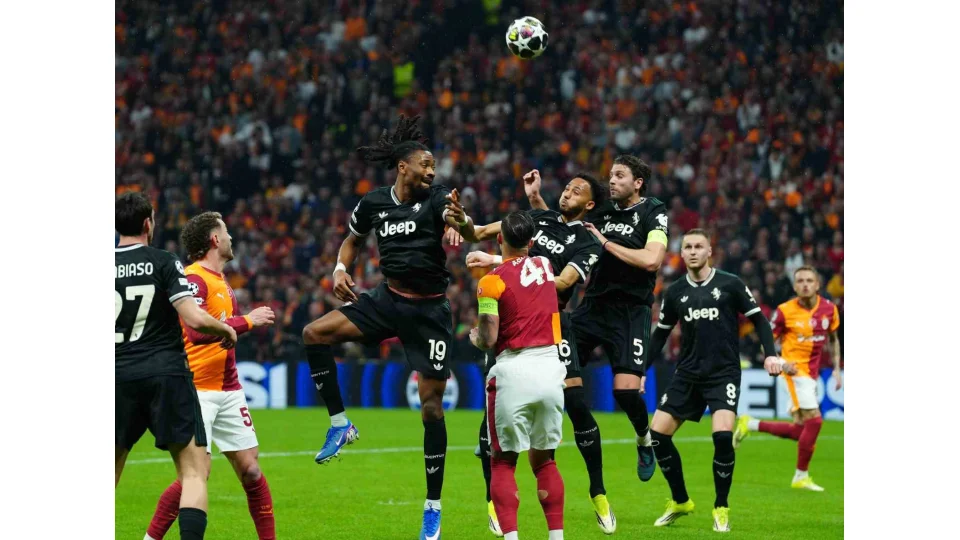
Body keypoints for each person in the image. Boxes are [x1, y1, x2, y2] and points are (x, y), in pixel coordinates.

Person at [300, 115, 482, 539]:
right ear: (404, 166)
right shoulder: (374, 203)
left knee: (431, 408)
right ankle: (339, 423)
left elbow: (463, 225)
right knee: (314, 333)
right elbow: (352, 240)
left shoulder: (437, 198)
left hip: (429, 312)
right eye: (425, 164)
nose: (432, 171)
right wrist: (341, 268)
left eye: (434, 165)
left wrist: (460, 222)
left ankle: (432, 507)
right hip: (387, 301)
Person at [466, 169, 615, 534]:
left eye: (576, 191)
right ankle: (492, 500)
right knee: (490, 419)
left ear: (589, 204)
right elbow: (481, 232)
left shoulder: (588, 240)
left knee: (576, 404)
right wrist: (456, 219)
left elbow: (563, 281)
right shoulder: (540, 217)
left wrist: (498, 262)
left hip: (552, 323)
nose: (567, 193)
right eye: (566, 187)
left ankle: (598, 491)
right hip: (512, 317)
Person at [144, 212, 278, 540]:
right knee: (195, 474)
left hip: (229, 388)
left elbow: (221, 332)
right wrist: (248, 321)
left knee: (251, 470)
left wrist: (235, 329)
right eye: (226, 231)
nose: (232, 237)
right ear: (215, 239)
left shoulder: (221, 281)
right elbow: (196, 332)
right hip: (196, 390)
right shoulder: (194, 278)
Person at [115, 192, 238, 540]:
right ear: (148, 223)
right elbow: (193, 317)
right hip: (165, 375)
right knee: (194, 472)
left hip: (116, 376)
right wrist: (225, 328)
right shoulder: (164, 261)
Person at [646, 229, 785, 532]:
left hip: (723, 373)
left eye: (699, 246)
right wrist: (640, 370)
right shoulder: (675, 291)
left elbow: (759, 319)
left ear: (710, 251)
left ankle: (721, 507)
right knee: (657, 435)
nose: (693, 251)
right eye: (688, 247)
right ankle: (680, 500)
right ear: (682, 253)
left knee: (722, 437)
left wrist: (770, 355)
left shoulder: (730, 284)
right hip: (687, 373)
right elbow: (660, 335)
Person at [471, 211, 568, 540]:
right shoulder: (545, 266)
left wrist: (476, 337)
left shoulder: (490, 282)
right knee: (545, 461)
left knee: (502, 462)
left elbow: (488, 338)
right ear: (531, 241)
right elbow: (522, 264)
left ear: (499, 238)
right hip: (551, 369)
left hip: (514, 369)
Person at [574, 155, 668, 483]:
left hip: (631, 311)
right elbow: (560, 223)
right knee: (556, 368)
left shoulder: (653, 211)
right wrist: (535, 200)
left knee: (626, 392)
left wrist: (605, 243)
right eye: (611, 175)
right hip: (593, 305)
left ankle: (644, 438)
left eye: (620, 176)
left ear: (637, 183)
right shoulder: (602, 209)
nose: (611, 180)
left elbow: (652, 260)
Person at [734, 266, 842, 492]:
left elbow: (833, 339)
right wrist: (782, 364)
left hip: (811, 373)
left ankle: (750, 423)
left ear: (817, 284)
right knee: (815, 421)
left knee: (801, 430)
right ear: (794, 286)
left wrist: (836, 368)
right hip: (793, 371)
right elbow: (766, 344)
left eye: (809, 280)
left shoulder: (829, 309)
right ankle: (801, 476)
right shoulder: (784, 311)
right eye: (800, 281)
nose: (805, 284)